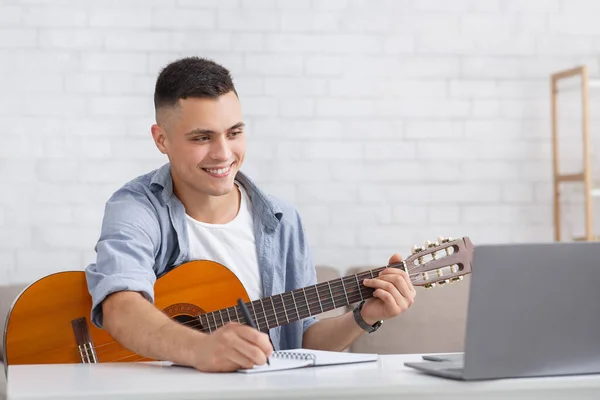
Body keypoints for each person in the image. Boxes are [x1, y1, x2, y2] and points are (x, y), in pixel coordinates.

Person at [85, 56, 416, 373]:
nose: (223, 154)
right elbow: (121, 307)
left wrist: (364, 316)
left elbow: (299, 343)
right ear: (162, 139)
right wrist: (202, 349)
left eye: (234, 133)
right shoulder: (136, 207)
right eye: (202, 137)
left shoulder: (283, 220)